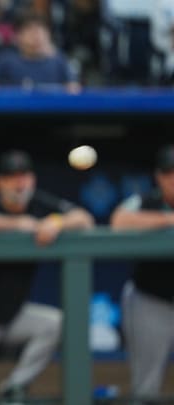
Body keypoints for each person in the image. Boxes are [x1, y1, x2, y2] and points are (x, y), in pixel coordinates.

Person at [0, 149, 94, 402]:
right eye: (12, 177)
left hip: (13, 315)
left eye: (24, 176)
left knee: (55, 323)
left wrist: (57, 223)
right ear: (0, 182)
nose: (19, 183)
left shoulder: (40, 204)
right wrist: (19, 224)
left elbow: (84, 219)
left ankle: (15, 386)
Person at [111, 144, 174, 401]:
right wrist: (169, 220)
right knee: (146, 387)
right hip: (151, 298)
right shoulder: (147, 201)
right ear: (159, 177)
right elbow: (119, 221)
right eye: (169, 173)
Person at [0, 12, 81, 93]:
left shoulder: (59, 61)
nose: (37, 36)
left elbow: (74, 89)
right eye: (30, 30)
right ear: (17, 35)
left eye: (42, 30)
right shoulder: (4, 60)